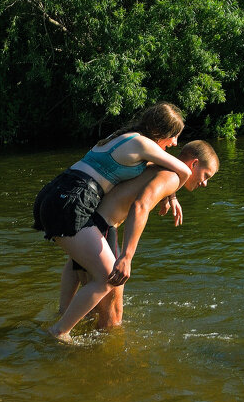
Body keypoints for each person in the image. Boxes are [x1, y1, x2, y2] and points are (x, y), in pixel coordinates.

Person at [33, 103, 193, 341]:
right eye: (173, 136)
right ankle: (60, 331)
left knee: (76, 261)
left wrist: (168, 193)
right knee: (108, 277)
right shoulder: (143, 143)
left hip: (55, 194)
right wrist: (172, 194)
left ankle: (64, 314)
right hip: (74, 197)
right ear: (160, 131)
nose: (175, 144)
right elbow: (184, 171)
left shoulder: (122, 137)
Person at [57, 140, 219, 330]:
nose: (205, 183)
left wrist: (171, 196)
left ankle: (71, 348)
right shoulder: (171, 177)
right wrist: (127, 256)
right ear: (194, 164)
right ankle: (82, 347)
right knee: (113, 319)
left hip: (91, 224)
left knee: (94, 313)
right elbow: (140, 206)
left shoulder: (158, 166)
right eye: (206, 175)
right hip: (104, 227)